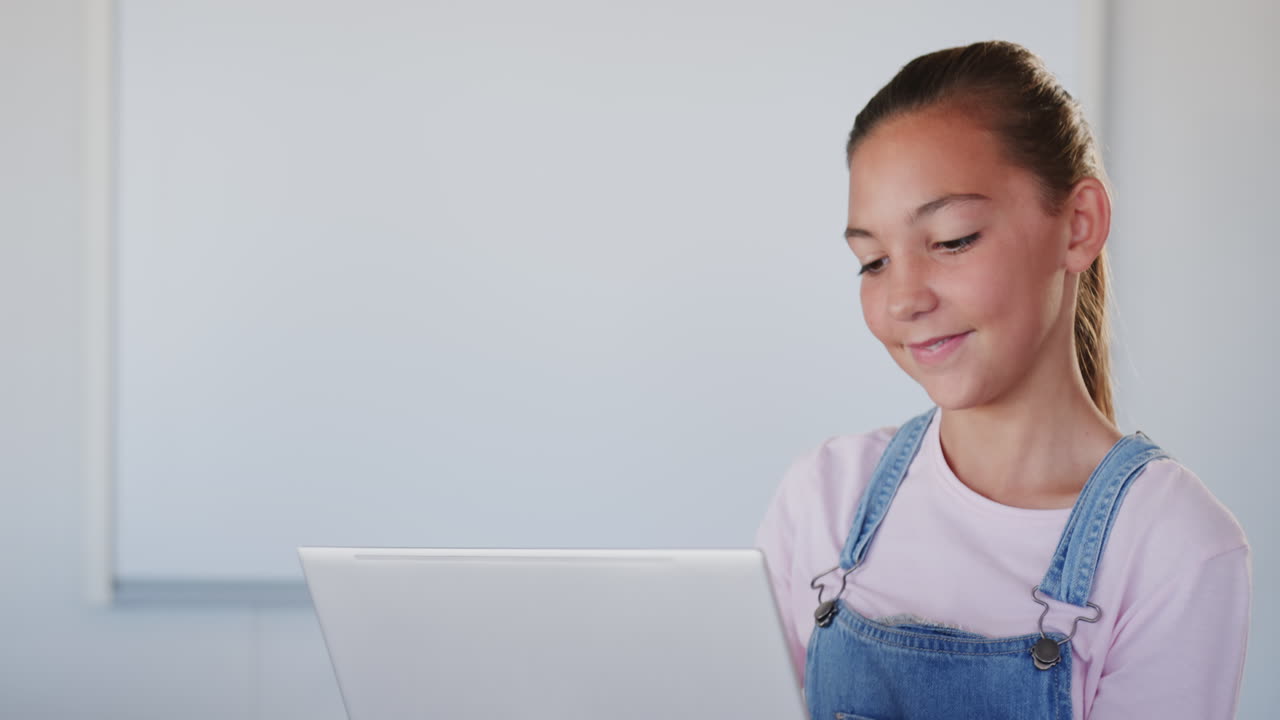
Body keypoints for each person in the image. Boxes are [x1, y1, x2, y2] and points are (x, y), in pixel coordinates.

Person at [755, 40, 1250, 720]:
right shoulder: (823, 498)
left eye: (953, 240)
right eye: (872, 262)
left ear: (1078, 226)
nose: (903, 300)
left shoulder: (1171, 546)